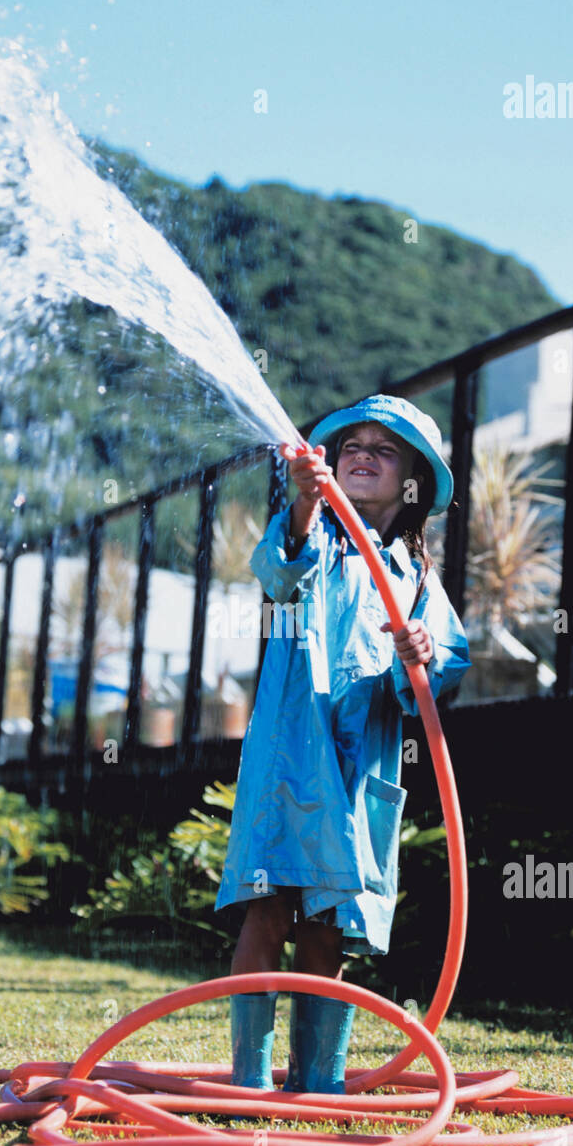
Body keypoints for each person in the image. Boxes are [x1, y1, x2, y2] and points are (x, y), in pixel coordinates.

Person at [215, 393, 472, 1095]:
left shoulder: (415, 577)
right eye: (350, 446)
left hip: (361, 773)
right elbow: (279, 571)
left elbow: (444, 659)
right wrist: (303, 504)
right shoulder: (318, 540)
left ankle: (319, 1081)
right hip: (291, 756)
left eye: (382, 450)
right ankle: (248, 1081)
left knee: (330, 923)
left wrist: (418, 649)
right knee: (268, 906)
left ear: (411, 481)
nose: (361, 455)